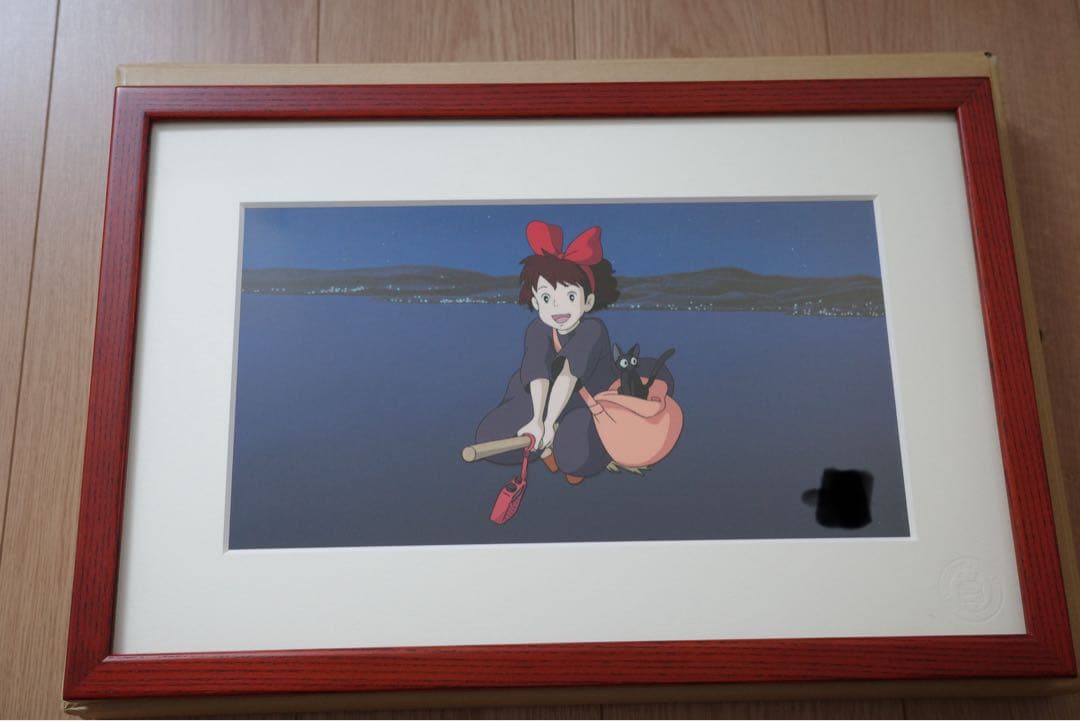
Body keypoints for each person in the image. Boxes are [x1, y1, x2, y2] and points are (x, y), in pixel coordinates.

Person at [474, 220, 646, 484]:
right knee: (488, 436)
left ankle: (565, 447)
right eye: (547, 298)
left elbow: (568, 375)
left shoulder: (593, 330)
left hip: (581, 400)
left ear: (588, 301)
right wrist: (537, 420)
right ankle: (546, 446)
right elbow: (537, 373)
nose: (558, 308)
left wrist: (549, 421)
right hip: (539, 398)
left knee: (574, 457)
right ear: (535, 301)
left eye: (570, 296)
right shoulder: (538, 329)